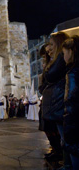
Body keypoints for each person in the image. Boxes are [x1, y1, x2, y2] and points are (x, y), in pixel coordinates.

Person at [43, 32, 70, 168]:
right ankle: (65, 160)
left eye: (52, 45)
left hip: (60, 102)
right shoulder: (58, 58)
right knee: (63, 134)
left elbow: (50, 75)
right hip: (57, 102)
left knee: (65, 135)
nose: (49, 49)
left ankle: (67, 162)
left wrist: (47, 70)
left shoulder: (60, 59)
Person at [62, 35, 79, 169]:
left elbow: (71, 100)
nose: (63, 57)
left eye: (64, 53)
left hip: (74, 122)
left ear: (71, 52)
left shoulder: (73, 72)